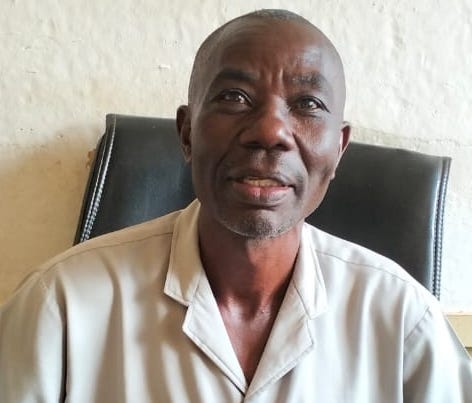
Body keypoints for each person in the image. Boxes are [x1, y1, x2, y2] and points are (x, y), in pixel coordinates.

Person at [0, 9, 471, 403]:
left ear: (339, 149)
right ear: (187, 133)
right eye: (234, 97)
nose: (270, 131)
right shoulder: (61, 305)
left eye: (307, 104)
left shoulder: (403, 320)